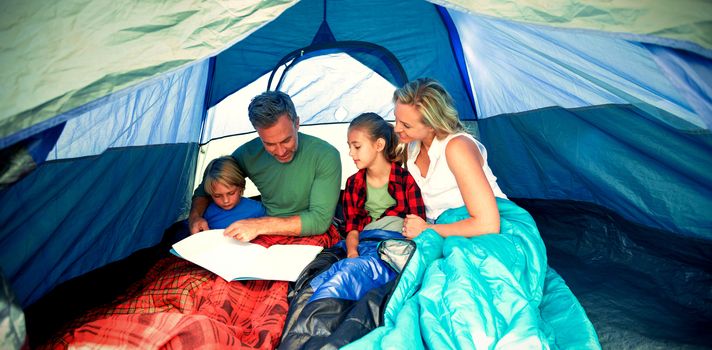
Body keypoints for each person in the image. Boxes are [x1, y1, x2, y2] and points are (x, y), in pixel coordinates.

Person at [188, 91, 342, 241]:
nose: (280, 151)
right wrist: (195, 218)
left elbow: (319, 220)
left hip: (308, 231)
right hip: (265, 226)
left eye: (286, 140)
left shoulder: (325, 155)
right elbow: (205, 191)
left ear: (297, 123)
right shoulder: (248, 154)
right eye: (269, 144)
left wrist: (258, 225)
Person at [395, 78, 508, 238]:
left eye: (406, 125)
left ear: (432, 125)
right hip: (443, 231)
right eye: (396, 119)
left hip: (489, 234)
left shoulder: (457, 147)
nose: (397, 128)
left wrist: (426, 229)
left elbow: (488, 225)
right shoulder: (411, 146)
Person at [342, 113, 426, 258]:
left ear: (379, 145)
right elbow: (352, 229)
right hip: (364, 244)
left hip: (397, 244)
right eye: (349, 146)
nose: (351, 153)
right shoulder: (352, 184)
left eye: (357, 146)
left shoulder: (405, 180)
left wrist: (398, 254)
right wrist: (352, 254)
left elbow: (417, 227)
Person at [200, 155, 266, 229]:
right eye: (217, 196)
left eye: (231, 193)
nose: (225, 201)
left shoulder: (257, 210)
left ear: (241, 187)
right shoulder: (205, 214)